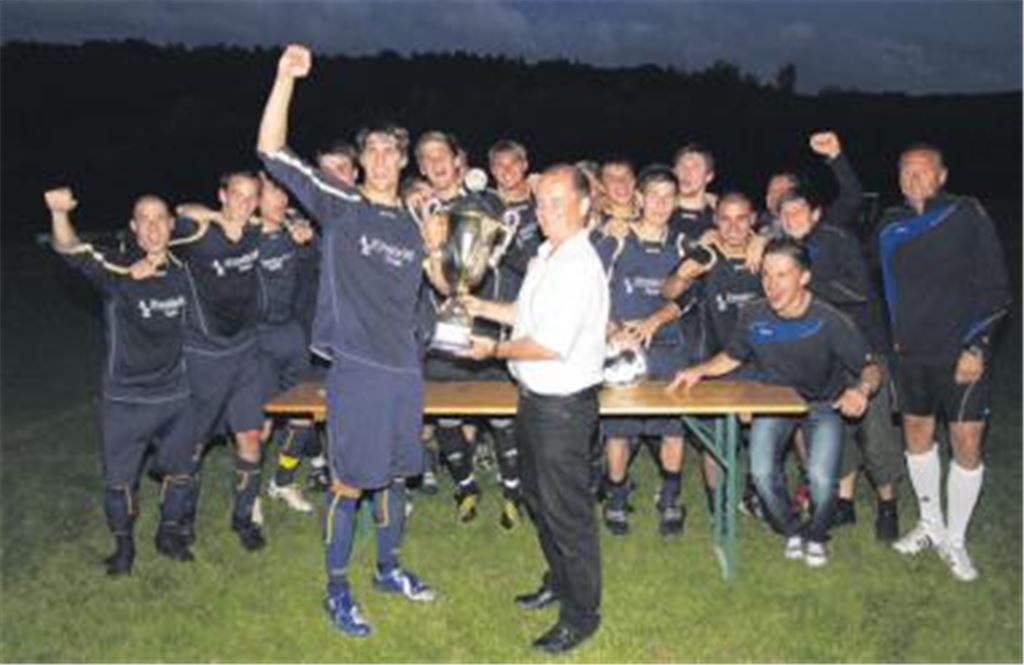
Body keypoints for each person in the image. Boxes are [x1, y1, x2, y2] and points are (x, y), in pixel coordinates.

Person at [257, 44, 448, 637]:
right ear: (362, 162)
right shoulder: (341, 204)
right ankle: (336, 588)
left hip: (405, 369)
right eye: (374, 150)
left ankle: (387, 569)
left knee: (394, 477)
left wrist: (440, 246)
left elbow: (443, 285)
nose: (385, 158)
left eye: (394, 149)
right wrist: (285, 78)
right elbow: (270, 150)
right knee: (348, 481)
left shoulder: (414, 222)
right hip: (358, 368)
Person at [462, 164, 608, 654]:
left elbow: (546, 344)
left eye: (557, 202)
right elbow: (527, 317)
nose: (544, 212)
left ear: (585, 206)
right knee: (537, 500)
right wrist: (482, 309)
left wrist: (493, 352)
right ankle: (559, 581)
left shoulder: (579, 265)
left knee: (566, 514)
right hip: (534, 402)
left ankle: (581, 614)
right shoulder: (548, 253)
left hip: (563, 409)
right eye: (540, 201)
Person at [669, 238, 881, 568]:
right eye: (766, 274)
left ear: (804, 277)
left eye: (783, 275)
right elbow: (732, 356)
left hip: (822, 406)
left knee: (823, 481)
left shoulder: (830, 319)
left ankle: (817, 535)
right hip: (773, 401)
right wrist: (699, 371)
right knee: (762, 473)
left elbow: (870, 367)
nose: (772, 284)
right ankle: (793, 528)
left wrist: (861, 390)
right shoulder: (753, 313)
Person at [45, 187, 196, 574]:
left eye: (159, 218)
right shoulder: (116, 269)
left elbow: (224, 227)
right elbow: (71, 250)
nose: (152, 227)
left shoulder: (186, 271)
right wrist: (60, 214)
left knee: (181, 473)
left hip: (176, 395)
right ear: (133, 227)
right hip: (124, 399)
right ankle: (124, 547)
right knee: (118, 483)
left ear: (171, 225)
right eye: (143, 219)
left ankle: (168, 533)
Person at [878, 144, 1011, 581]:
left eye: (923, 171)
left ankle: (956, 538)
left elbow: (996, 288)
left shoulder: (966, 214)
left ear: (942, 175)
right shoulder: (890, 225)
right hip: (910, 354)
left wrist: (978, 345)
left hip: (962, 355)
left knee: (966, 442)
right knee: (917, 435)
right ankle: (930, 524)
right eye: (906, 171)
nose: (914, 178)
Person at [778, 187, 903, 541]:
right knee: (837, 431)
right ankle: (844, 505)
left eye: (798, 210)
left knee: (875, 432)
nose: (792, 218)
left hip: (863, 350)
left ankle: (888, 506)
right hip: (824, 353)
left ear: (816, 214)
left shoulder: (836, 238)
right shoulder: (790, 250)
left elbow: (860, 289)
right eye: (784, 214)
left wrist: (809, 285)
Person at [594, 166, 691, 537]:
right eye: (653, 195)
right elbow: (591, 289)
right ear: (639, 198)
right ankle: (617, 498)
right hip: (622, 347)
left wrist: (656, 320)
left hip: (668, 345)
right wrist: (615, 330)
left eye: (669, 196)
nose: (661, 203)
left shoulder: (684, 245)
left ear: (677, 201)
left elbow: (691, 295)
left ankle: (670, 499)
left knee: (672, 428)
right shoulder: (616, 239)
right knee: (618, 429)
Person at [173, 171, 267, 552]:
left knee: (250, 438)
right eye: (237, 196)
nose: (244, 204)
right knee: (194, 445)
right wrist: (211, 216)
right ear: (222, 195)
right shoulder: (198, 231)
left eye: (251, 198)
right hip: (204, 354)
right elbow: (174, 212)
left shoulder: (255, 232)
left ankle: (243, 519)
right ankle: (182, 520)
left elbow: (278, 219)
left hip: (244, 351)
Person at [252, 174, 320, 513]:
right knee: (260, 424)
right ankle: (249, 497)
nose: (280, 201)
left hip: (292, 335)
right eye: (270, 194)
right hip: (257, 339)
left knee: (303, 418)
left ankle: (282, 481)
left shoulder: (295, 236)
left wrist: (308, 243)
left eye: (283, 193)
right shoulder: (240, 239)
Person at [758, 131, 864, 234]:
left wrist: (835, 155)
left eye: (783, 190)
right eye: (773, 191)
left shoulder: (818, 224)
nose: (778, 195)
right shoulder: (755, 228)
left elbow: (851, 198)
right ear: (767, 199)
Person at [670, 143, 717, 238]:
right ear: (674, 172)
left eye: (695, 167)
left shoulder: (722, 219)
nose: (686, 172)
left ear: (709, 176)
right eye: (682, 166)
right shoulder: (656, 212)